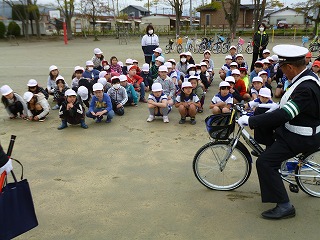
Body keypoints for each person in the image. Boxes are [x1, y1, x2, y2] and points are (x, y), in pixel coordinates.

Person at [238, 44, 320, 219]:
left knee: (265, 163)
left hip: (301, 136)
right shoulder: (304, 76)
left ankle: (284, 206)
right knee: (262, 112)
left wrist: (250, 120)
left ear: (289, 67)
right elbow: (287, 107)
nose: (280, 70)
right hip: (298, 126)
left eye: (281, 66)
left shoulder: (306, 87)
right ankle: (271, 148)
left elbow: (285, 114)